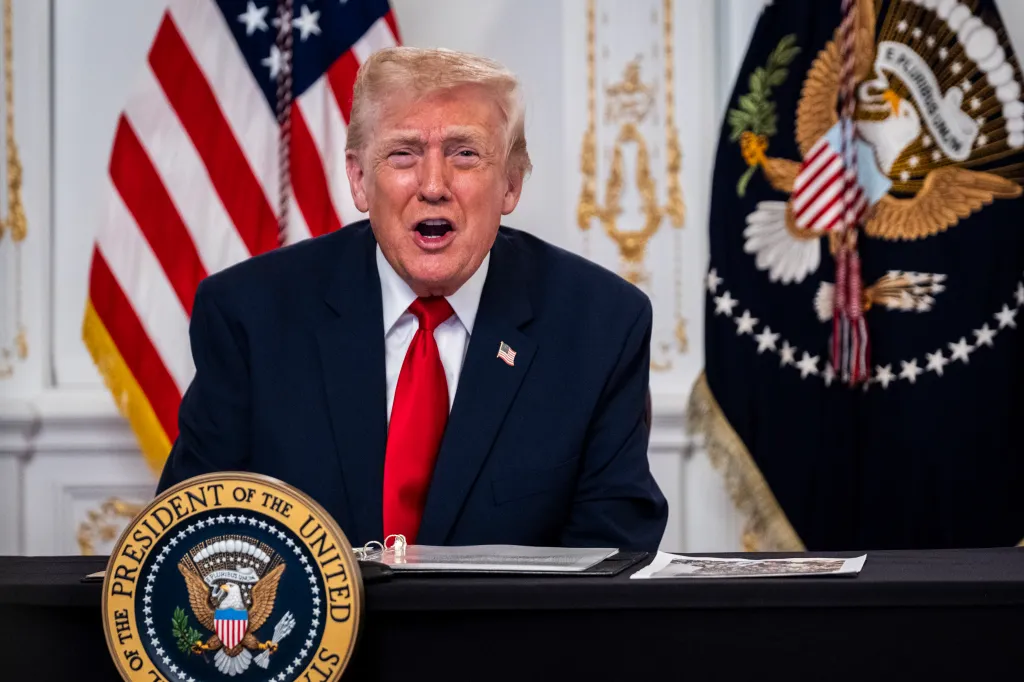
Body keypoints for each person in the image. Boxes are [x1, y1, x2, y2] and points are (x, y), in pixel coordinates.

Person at [157, 46, 668, 552]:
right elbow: (193, 541)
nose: (433, 185)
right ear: (359, 179)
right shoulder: (249, 316)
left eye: (465, 153)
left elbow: (610, 560)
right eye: (404, 154)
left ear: (511, 183)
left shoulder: (600, 325)